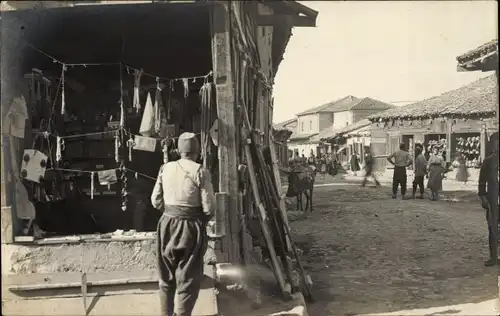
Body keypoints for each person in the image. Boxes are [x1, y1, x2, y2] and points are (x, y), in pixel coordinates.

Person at [151, 132, 216, 316]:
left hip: (166, 226)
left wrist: (171, 211)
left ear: (179, 150)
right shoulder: (200, 171)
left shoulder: (165, 168)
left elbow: (155, 201)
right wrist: (200, 220)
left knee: (165, 279)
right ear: (197, 151)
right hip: (190, 227)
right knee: (188, 279)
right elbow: (209, 208)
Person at [478, 132, 499, 267]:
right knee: (492, 229)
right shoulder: (488, 161)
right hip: (493, 201)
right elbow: (481, 182)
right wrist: (483, 197)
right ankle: (493, 257)